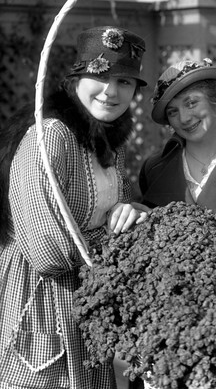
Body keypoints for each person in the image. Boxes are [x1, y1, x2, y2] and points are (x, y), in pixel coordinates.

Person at [0, 26, 149, 389]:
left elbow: (119, 203)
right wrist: (117, 247)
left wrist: (133, 210)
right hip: (40, 318)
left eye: (125, 82)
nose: (111, 91)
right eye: (100, 76)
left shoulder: (108, 144)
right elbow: (48, 251)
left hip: (85, 318)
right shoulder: (50, 136)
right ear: (76, 79)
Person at [139, 57, 216, 243]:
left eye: (191, 103)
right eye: (173, 111)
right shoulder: (153, 170)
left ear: (215, 104)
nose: (184, 118)